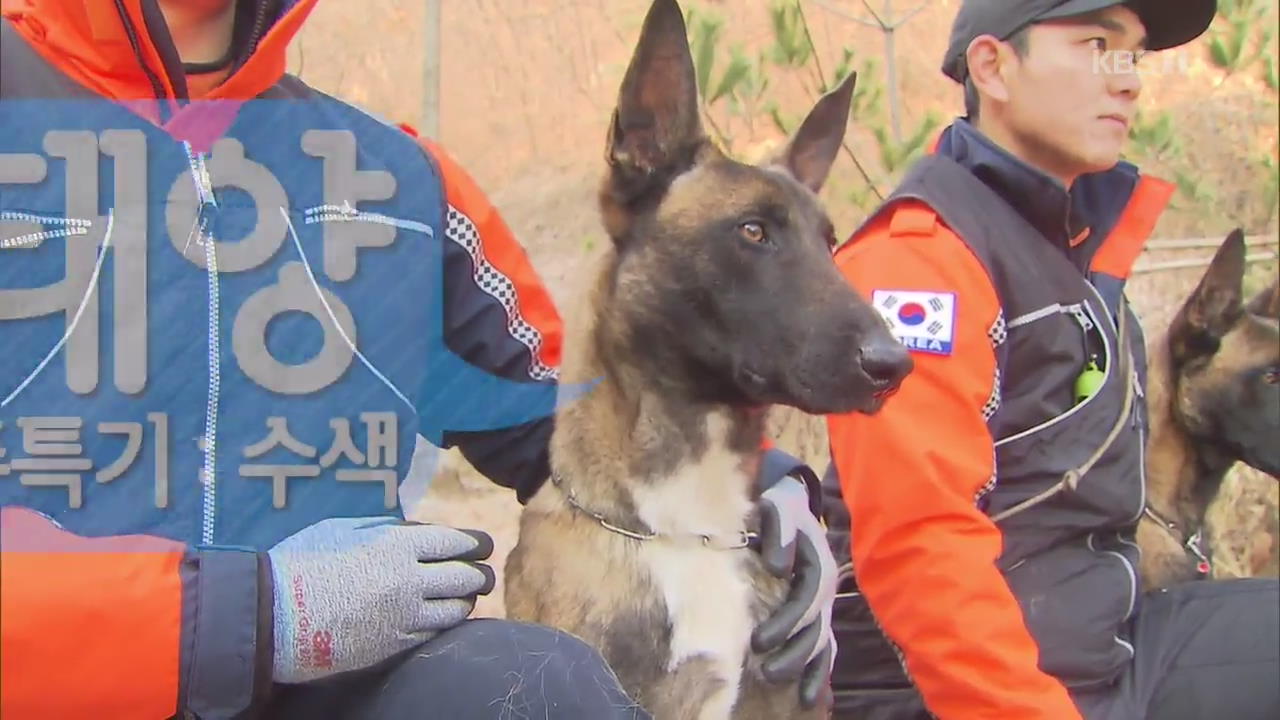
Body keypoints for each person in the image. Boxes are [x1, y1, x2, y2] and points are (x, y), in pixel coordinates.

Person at [0, 0, 839, 717]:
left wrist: (755, 487)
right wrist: (252, 614)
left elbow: (558, 420)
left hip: (332, 690)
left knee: (533, 689)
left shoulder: (396, 180)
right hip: (59, 683)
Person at [820, 1, 1280, 719]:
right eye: (1097, 45)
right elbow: (920, 548)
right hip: (953, 694)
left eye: (1132, 54)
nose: (1126, 79)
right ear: (994, 66)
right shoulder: (919, 262)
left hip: (1108, 648)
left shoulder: (1073, 246)